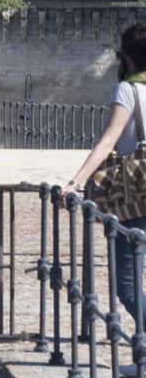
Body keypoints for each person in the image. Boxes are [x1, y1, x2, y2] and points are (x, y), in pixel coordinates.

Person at [63, 21, 146, 321]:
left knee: (127, 285)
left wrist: (76, 181)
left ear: (127, 58)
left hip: (136, 195)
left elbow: (108, 140)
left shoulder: (128, 90)